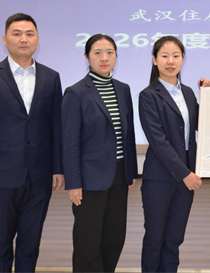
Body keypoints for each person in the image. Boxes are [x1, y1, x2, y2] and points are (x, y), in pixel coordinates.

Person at [0, 13, 64, 272]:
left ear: (37, 39)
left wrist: (58, 168)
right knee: (1, 239)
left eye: (29, 34)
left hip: (40, 174)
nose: (24, 39)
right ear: (4, 39)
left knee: (30, 242)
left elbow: (56, 126)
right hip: (1, 175)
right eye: (17, 33)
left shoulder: (51, 77)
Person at [61, 34, 138, 272]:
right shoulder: (75, 93)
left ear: (116, 56)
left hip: (119, 175)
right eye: (97, 53)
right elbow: (69, 142)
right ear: (87, 57)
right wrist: (73, 182)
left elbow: (128, 134)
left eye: (109, 53)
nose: (104, 58)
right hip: (89, 179)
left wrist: (130, 172)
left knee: (114, 238)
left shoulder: (123, 89)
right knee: (88, 241)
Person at [139, 35, 210, 273]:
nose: (171, 61)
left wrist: (207, 97)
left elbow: (204, 125)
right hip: (160, 178)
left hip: (186, 176)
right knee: (155, 237)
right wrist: (184, 174)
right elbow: (158, 142)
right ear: (154, 60)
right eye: (164, 56)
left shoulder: (188, 92)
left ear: (182, 59)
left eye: (176, 56)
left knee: (174, 238)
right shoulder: (148, 95)